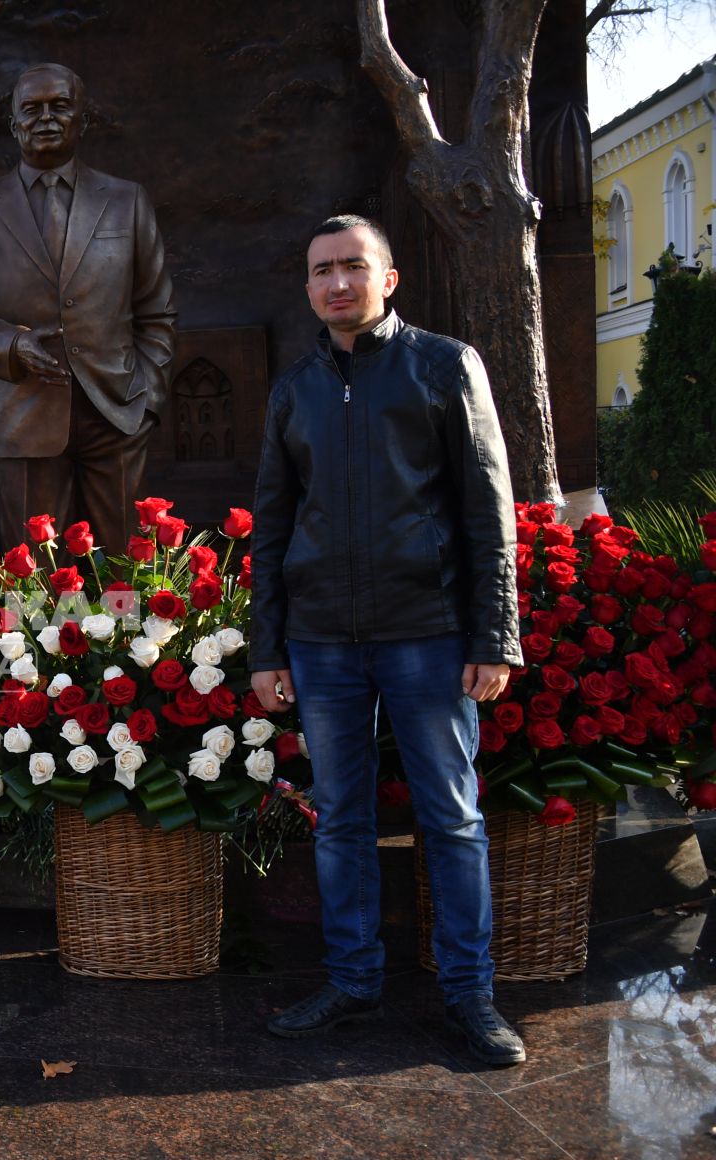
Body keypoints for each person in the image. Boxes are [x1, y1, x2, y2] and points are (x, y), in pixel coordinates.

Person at [248, 214, 524, 1067]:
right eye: (322, 270)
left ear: (387, 278)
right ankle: (353, 981)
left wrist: (496, 633)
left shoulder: (444, 366)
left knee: (452, 819)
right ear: (308, 288)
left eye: (353, 267)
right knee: (340, 823)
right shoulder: (293, 389)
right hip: (324, 641)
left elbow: (488, 510)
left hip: (429, 634)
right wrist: (268, 648)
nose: (337, 282)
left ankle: (469, 996)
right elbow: (271, 524)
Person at [0, 62, 177, 555]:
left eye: (60, 106)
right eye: (31, 108)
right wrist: (12, 344)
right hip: (23, 418)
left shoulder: (127, 201)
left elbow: (156, 311)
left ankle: (123, 637)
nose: (45, 117)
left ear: (82, 121)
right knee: (39, 584)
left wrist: (146, 398)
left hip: (117, 413)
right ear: (13, 124)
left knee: (123, 576)